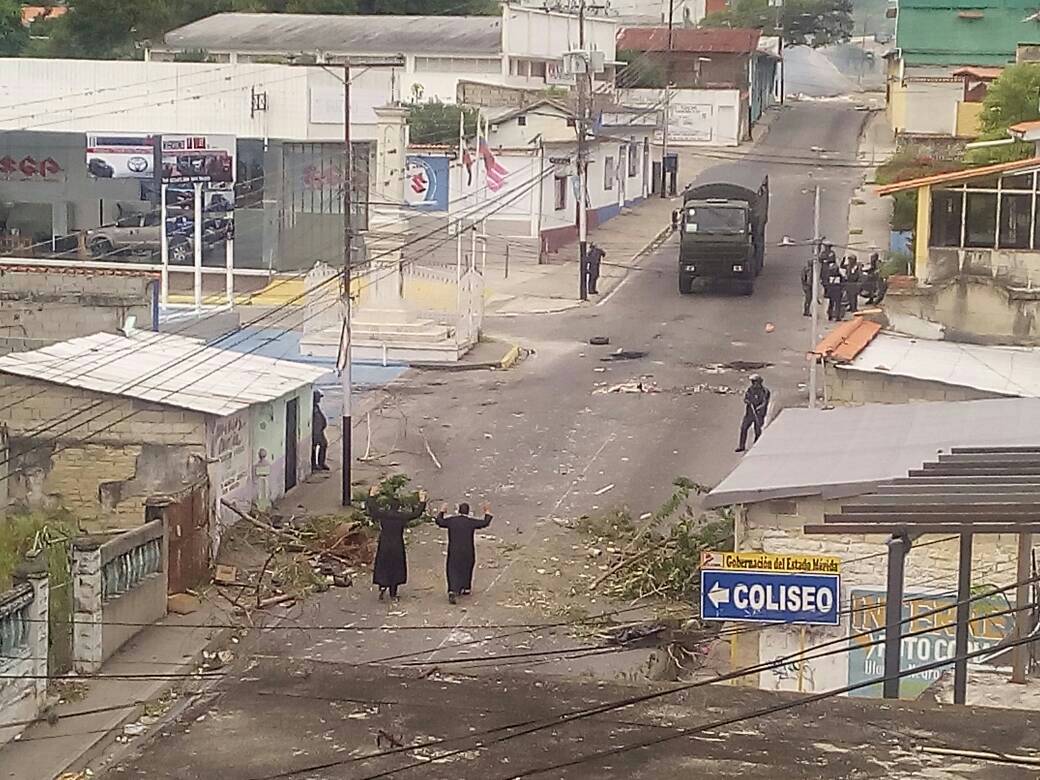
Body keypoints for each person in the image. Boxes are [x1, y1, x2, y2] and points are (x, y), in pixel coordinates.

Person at [368, 485, 428, 601]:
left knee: (383, 564)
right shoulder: (401, 517)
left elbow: (372, 509)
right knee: (395, 567)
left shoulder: (383, 515)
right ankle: (393, 593)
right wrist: (422, 501)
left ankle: (382, 584)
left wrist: (372, 495)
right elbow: (416, 514)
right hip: (397, 544)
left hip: (384, 543)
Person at [436, 502, 493, 603]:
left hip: (454, 549)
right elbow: (485, 523)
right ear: (468, 511)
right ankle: (465, 587)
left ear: (458, 511)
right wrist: (487, 511)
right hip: (467, 549)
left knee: (453, 568)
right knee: (467, 567)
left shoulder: (452, 521)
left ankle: (453, 589)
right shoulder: (470, 522)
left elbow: (439, 521)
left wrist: (442, 511)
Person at [736, 374, 770, 453]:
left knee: (757, 429)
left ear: (759, 382)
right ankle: (741, 446)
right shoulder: (750, 390)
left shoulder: (765, 391)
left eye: (754, 382)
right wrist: (747, 401)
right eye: (752, 382)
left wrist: (759, 408)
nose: (753, 384)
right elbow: (746, 398)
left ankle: (757, 444)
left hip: (759, 414)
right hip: (749, 413)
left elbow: (765, 402)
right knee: (744, 427)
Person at [311, 389, 329, 471]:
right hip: (316, 432)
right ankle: (315, 464)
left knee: (323, 444)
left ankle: (320, 463)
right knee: (314, 447)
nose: (320, 399)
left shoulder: (316, 407)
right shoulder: (313, 408)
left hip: (319, 431)